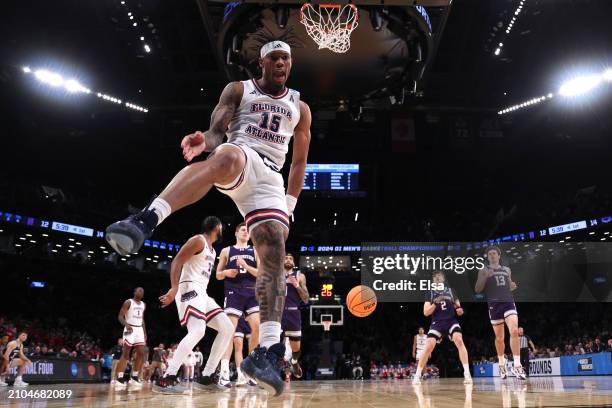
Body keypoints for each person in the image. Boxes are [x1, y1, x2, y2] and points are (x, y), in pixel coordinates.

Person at [105, 39, 312, 397]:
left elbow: (298, 162)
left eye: (286, 59)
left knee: (275, 250)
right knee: (225, 158)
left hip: (272, 180)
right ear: (261, 62)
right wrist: (209, 140)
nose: (281, 64)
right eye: (275, 58)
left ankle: (267, 351)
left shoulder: (300, 107)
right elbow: (218, 127)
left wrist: (290, 204)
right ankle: (147, 218)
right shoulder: (238, 89)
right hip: (241, 154)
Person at [155, 216, 234, 394]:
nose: (222, 231)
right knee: (198, 330)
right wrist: (174, 288)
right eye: (221, 228)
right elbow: (177, 261)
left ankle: (206, 376)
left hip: (202, 293)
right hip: (188, 288)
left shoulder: (213, 250)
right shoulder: (198, 240)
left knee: (227, 328)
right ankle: (167, 376)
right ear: (216, 227)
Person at [217, 222, 260, 385]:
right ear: (236, 233)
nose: (246, 233)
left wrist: (246, 266)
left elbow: (260, 273)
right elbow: (218, 275)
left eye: (248, 231)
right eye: (243, 229)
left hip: (251, 290)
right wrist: (226, 272)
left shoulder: (255, 251)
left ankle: (250, 368)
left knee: (257, 326)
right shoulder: (227, 251)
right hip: (233, 291)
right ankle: (224, 371)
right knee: (230, 330)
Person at [475, 246, 526, 380]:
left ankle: (517, 365)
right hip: (494, 305)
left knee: (514, 331)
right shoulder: (483, 270)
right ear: (487, 257)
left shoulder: (506, 270)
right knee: (499, 338)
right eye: (489, 254)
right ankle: (502, 364)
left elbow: (508, 285)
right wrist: (485, 277)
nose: (492, 255)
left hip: (508, 302)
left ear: (499, 255)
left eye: (494, 253)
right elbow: (478, 289)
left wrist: (512, 285)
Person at [412, 271, 472, 385]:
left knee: (459, 340)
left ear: (443, 279)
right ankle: (417, 375)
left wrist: (460, 310)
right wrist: (435, 303)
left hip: (451, 321)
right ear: (433, 281)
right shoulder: (430, 293)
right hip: (437, 323)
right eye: (435, 277)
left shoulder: (451, 291)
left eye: (439, 277)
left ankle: (467, 373)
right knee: (428, 345)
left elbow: (459, 308)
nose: (437, 279)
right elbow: (425, 312)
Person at [281, 253, 309, 379]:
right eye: (286, 258)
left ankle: (294, 362)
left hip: (293, 313)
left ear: (294, 263)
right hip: (278, 313)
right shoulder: (276, 275)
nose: (288, 260)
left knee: (296, 349)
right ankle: (270, 372)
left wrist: (296, 285)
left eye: (291, 258)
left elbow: (306, 299)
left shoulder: (299, 275)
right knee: (273, 343)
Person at [115, 287, 147, 389]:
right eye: (139, 290)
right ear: (134, 292)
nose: (141, 292)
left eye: (142, 291)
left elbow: (142, 320)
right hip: (130, 328)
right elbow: (120, 316)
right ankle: (119, 378)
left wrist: (145, 332)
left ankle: (134, 377)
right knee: (126, 353)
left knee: (141, 353)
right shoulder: (128, 302)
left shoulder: (143, 304)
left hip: (139, 330)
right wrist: (126, 324)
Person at [232, 318, 251, 386]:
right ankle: (241, 375)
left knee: (253, 348)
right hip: (238, 317)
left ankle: (251, 374)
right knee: (238, 345)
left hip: (250, 315)